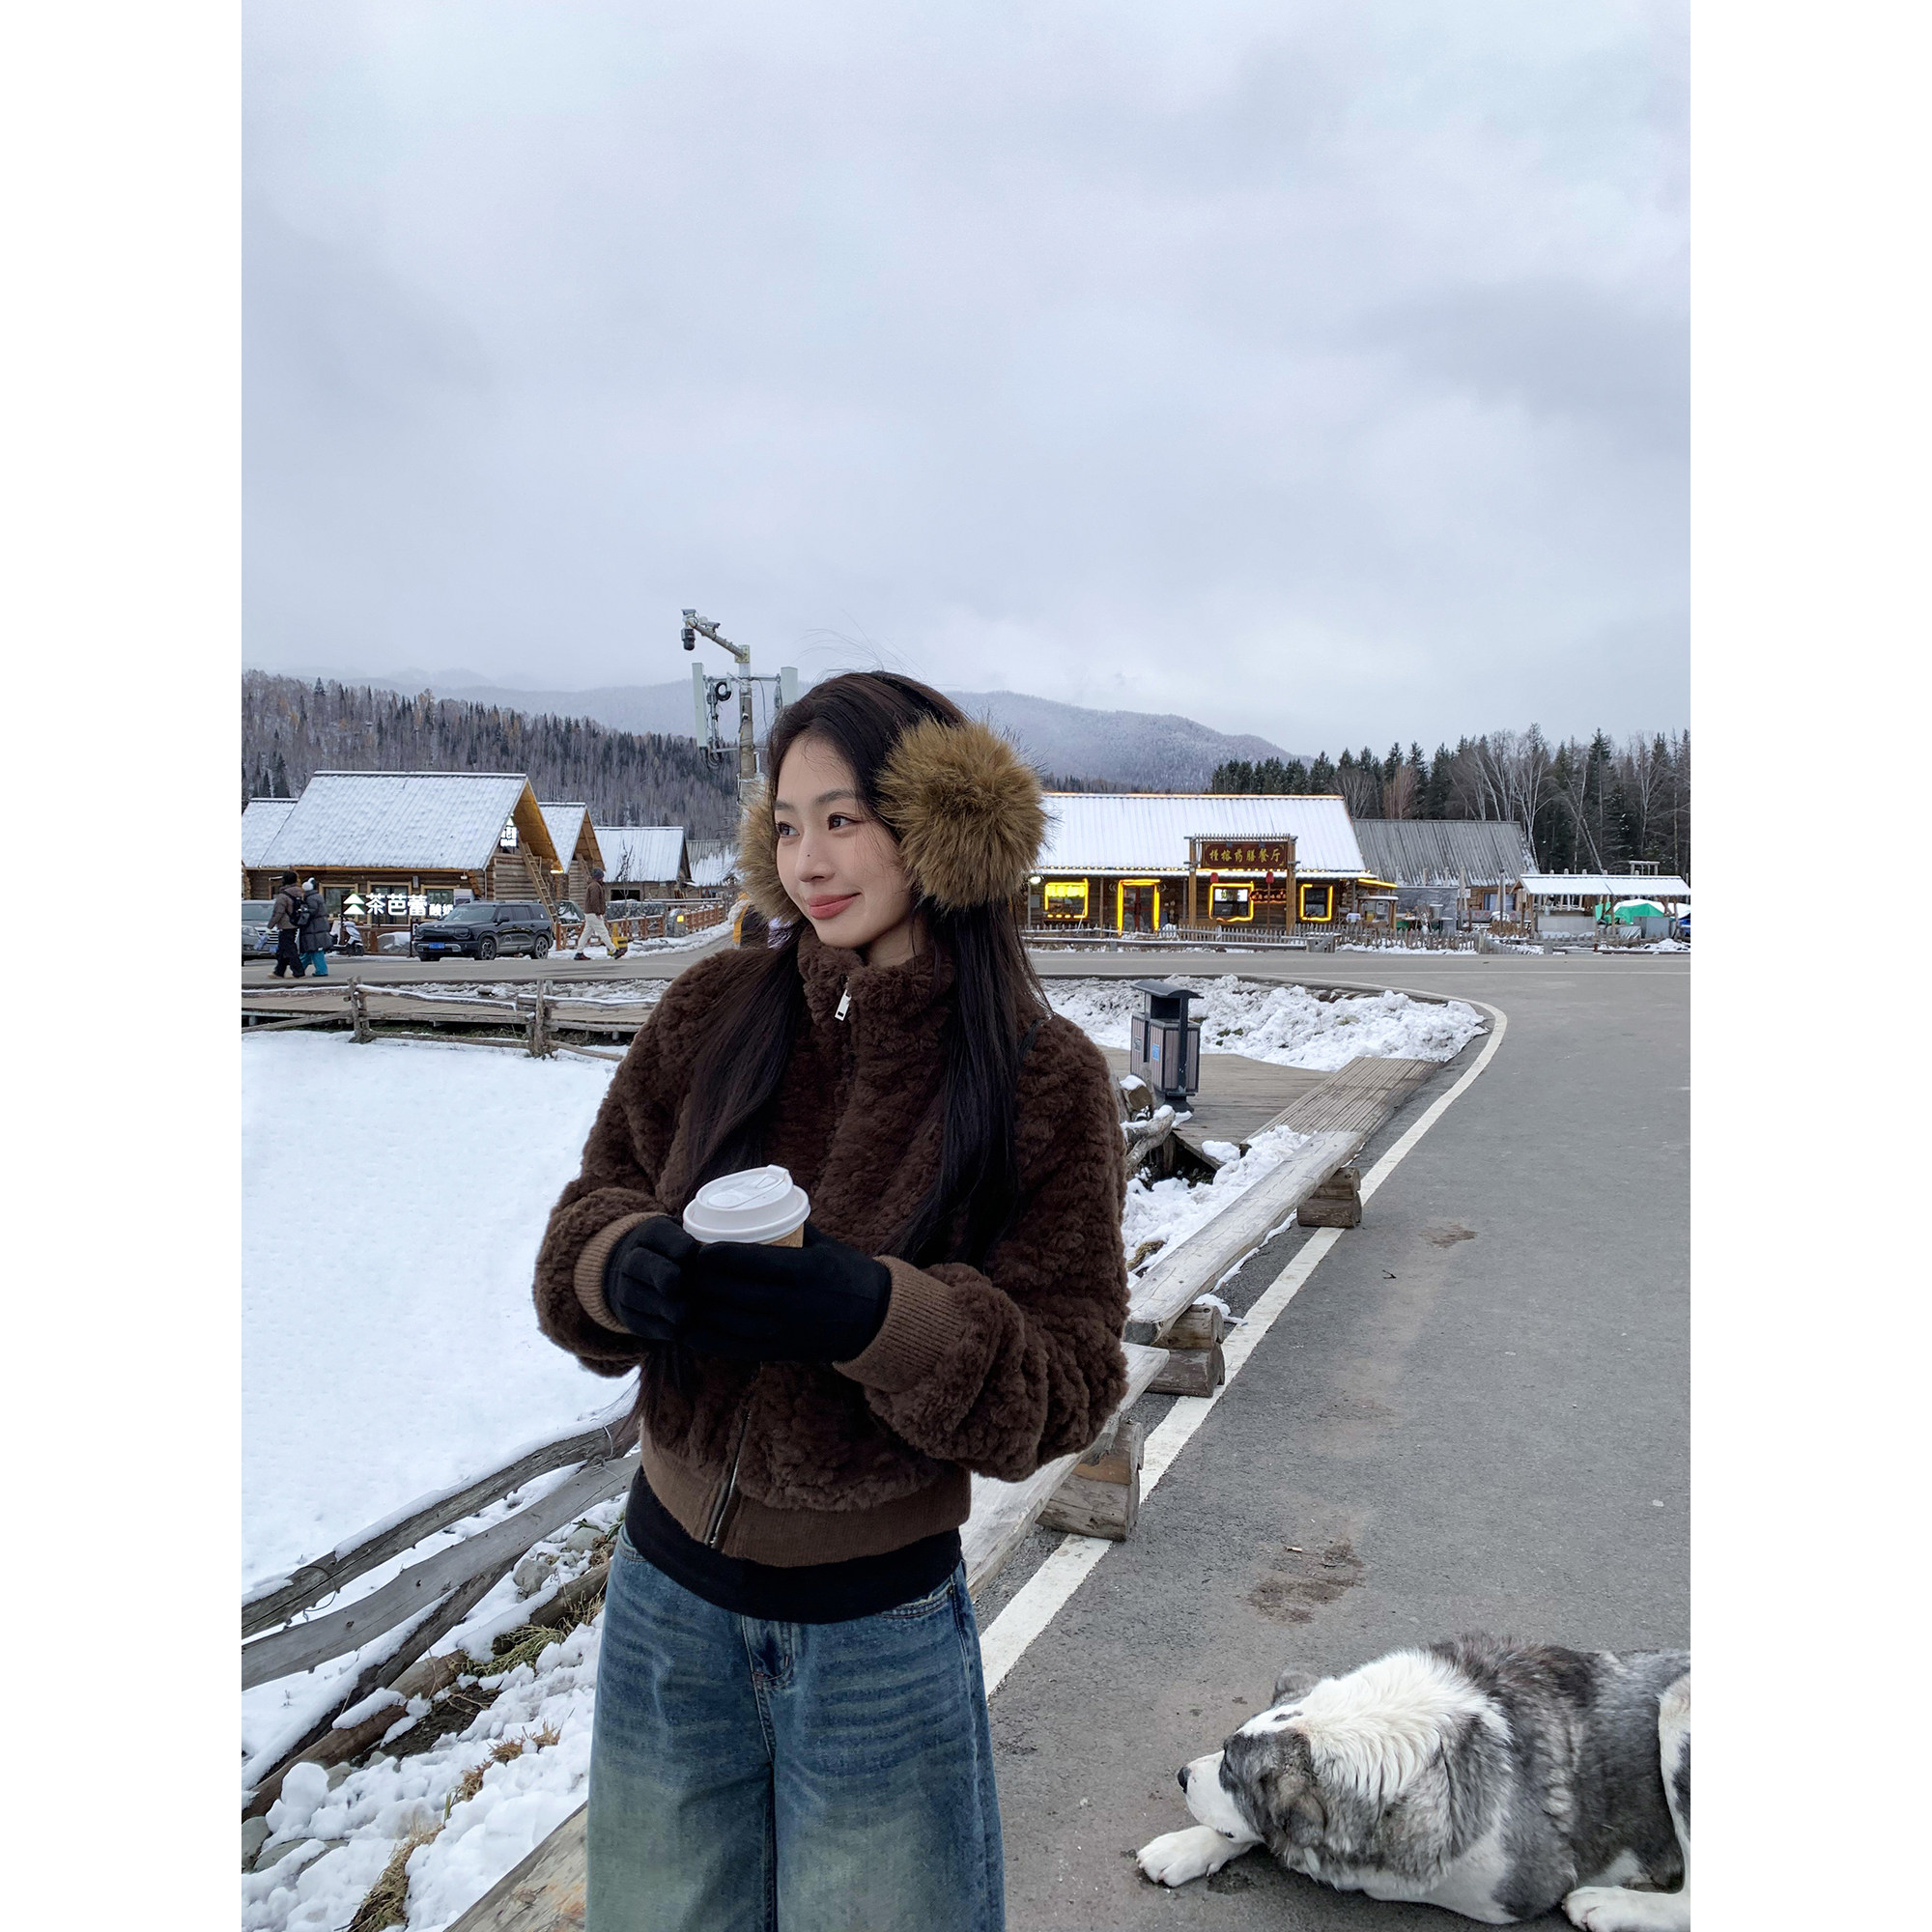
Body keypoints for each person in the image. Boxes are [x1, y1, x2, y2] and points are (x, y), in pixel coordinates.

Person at [533, 673, 1129, 1932]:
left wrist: (878, 1318)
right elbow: (590, 1210)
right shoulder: (715, 1009)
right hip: (664, 1606)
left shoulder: (1042, 1079)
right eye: (788, 823)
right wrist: (616, 1264)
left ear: (939, 826)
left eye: (844, 819)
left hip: (874, 1636)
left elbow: (1071, 1377)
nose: (808, 860)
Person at [269, 871, 305, 978]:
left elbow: (278, 913)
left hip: (285, 925)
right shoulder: (300, 893)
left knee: (289, 949)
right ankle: (279, 971)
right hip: (295, 922)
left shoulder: (283, 895)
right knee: (283, 949)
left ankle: (298, 971)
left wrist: (270, 926)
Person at [575, 867, 613, 960]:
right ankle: (614, 950)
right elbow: (594, 900)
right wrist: (598, 912)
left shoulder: (592, 885)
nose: (602, 879)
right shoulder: (595, 886)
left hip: (589, 913)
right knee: (603, 932)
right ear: (598, 877)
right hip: (593, 913)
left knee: (586, 933)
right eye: (601, 877)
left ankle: (579, 952)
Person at [298, 878, 330, 977]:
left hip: (313, 928)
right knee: (311, 950)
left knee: (314, 949)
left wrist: (301, 916)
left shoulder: (310, 898)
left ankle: (321, 970)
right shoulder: (317, 896)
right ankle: (299, 968)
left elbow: (311, 912)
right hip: (318, 927)